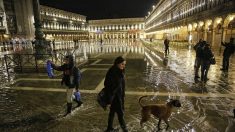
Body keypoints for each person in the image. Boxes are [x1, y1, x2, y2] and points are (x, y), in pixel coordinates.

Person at [104, 56, 128, 132]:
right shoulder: (112, 72)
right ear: (117, 64)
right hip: (114, 97)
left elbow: (122, 85)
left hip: (119, 96)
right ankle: (125, 130)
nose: (124, 66)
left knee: (112, 112)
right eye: (122, 64)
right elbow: (107, 85)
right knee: (120, 114)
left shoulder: (120, 71)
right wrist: (109, 99)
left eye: (124, 64)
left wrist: (122, 95)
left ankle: (109, 128)